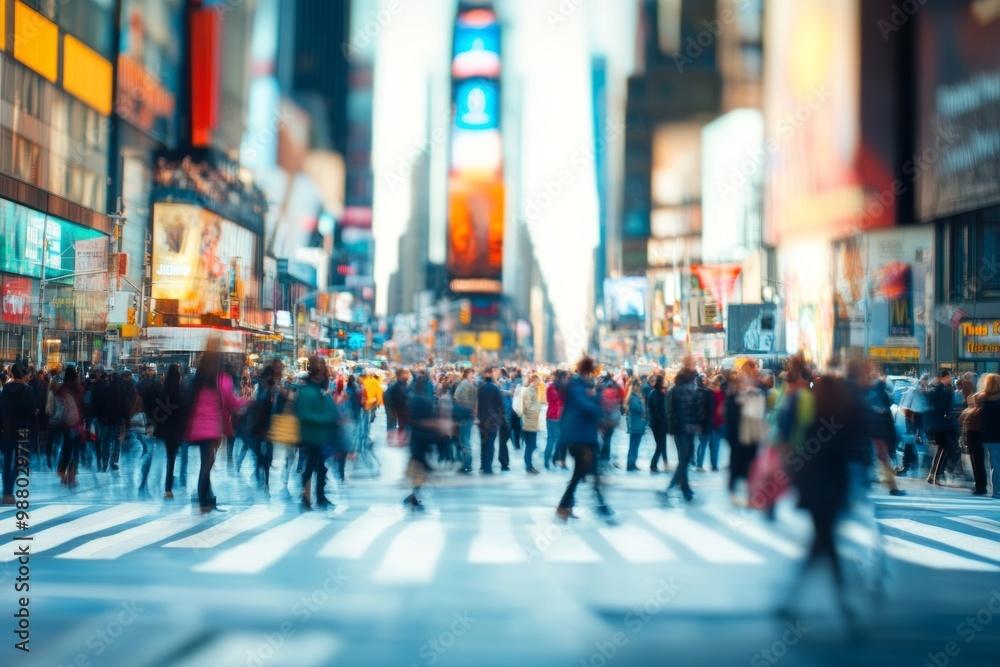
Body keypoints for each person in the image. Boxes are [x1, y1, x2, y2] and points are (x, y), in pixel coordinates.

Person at [781, 374, 865, 621]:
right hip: (835, 491)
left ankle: (836, 600)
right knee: (823, 543)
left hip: (817, 492)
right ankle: (841, 600)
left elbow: (806, 462)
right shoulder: (845, 423)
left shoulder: (816, 425)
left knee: (823, 543)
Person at [185, 341, 248, 512]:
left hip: (197, 427)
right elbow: (232, 401)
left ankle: (205, 497)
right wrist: (248, 400)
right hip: (211, 427)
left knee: (206, 462)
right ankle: (203, 500)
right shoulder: (222, 379)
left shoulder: (198, 378)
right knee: (207, 463)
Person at [556, 357, 614, 523]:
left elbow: (590, 405)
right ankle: (598, 506)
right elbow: (587, 407)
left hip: (584, 436)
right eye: (592, 372)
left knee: (581, 473)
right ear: (587, 371)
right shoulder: (576, 387)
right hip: (578, 438)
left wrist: (596, 396)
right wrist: (598, 400)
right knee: (586, 472)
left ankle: (565, 506)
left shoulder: (584, 387)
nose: (593, 376)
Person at [296, 356, 339, 509]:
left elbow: (332, 409)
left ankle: (316, 497)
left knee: (319, 467)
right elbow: (305, 413)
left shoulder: (321, 390)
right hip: (311, 435)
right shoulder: (308, 391)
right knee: (313, 466)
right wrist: (325, 418)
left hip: (320, 435)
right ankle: (309, 496)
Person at [660, 368, 700, 503]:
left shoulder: (675, 390)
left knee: (684, 459)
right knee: (684, 460)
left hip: (680, 429)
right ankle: (673, 486)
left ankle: (684, 487)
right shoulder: (685, 391)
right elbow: (687, 411)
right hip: (685, 429)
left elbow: (670, 412)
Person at [1, 363, 37, 504]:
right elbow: (31, 410)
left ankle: (7, 493)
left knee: (7, 462)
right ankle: (10, 489)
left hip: (8, 429)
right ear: (23, 375)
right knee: (19, 462)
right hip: (23, 430)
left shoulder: (5, 389)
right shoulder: (28, 391)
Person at [154, 364, 187, 499]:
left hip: (166, 429)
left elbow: (158, 410)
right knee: (176, 456)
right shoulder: (181, 391)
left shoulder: (163, 390)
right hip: (178, 429)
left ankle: (168, 488)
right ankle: (173, 482)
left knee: (170, 457)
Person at [925, 368, 956, 486]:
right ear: (944, 377)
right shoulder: (939, 390)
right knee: (944, 448)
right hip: (941, 424)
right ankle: (936, 475)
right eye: (949, 376)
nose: (951, 378)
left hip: (940, 424)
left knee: (941, 448)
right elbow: (939, 407)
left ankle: (933, 474)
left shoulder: (938, 388)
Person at [55, 366, 85, 487]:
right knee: (75, 450)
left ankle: (63, 475)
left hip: (64, 424)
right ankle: (72, 476)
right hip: (77, 423)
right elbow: (83, 405)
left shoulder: (62, 389)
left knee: (66, 449)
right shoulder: (80, 388)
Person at [976, 373, 1000, 499]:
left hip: (985, 435)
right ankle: (997, 490)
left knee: (993, 463)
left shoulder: (980, 399)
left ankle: (995, 488)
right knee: (996, 464)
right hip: (997, 436)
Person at [453, 368, 477, 473]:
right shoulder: (466, 386)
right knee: (465, 440)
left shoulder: (465, 385)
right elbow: (466, 402)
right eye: (472, 375)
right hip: (466, 416)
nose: (474, 378)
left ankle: (466, 464)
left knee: (464, 440)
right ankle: (467, 464)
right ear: (467, 374)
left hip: (464, 416)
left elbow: (458, 400)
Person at [693, 374, 717, 472]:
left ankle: (698, 463)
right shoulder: (708, 393)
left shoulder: (695, 392)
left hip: (699, 422)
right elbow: (712, 408)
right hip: (706, 422)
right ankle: (699, 464)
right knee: (704, 443)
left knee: (701, 443)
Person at [520, 373, 543, 474]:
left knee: (532, 445)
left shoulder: (535, 390)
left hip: (533, 422)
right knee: (530, 445)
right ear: (533, 381)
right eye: (538, 382)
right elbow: (528, 407)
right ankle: (529, 466)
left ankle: (529, 466)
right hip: (529, 423)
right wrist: (538, 407)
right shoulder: (528, 391)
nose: (539, 384)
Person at [647, 375, 669, 473]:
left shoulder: (659, 393)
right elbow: (656, 410)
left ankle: (657, 463)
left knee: (661, 444)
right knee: (660, 444)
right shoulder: (655, 394)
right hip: (658, 424)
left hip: (660, 423)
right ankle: (653, 464)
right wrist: (662, 419)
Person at [544, 370, 565, 470]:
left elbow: (549, 400)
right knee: (554, 440)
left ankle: (549, 461)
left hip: (553, 416)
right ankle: (551, 460)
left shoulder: (551, 387)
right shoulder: (557, 388)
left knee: (552, 440)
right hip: (555, 416)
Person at [625, 377, 646, 472]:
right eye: (638, 385)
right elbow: (638, 409)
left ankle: (633, 463)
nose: (639, 387)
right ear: (635, 386)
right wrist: (642, 403)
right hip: (635, 424)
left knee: (635, 444)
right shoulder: (633, 398)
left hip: (638, 424)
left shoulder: (635, 396)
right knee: (633, 444)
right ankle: (630, 463)